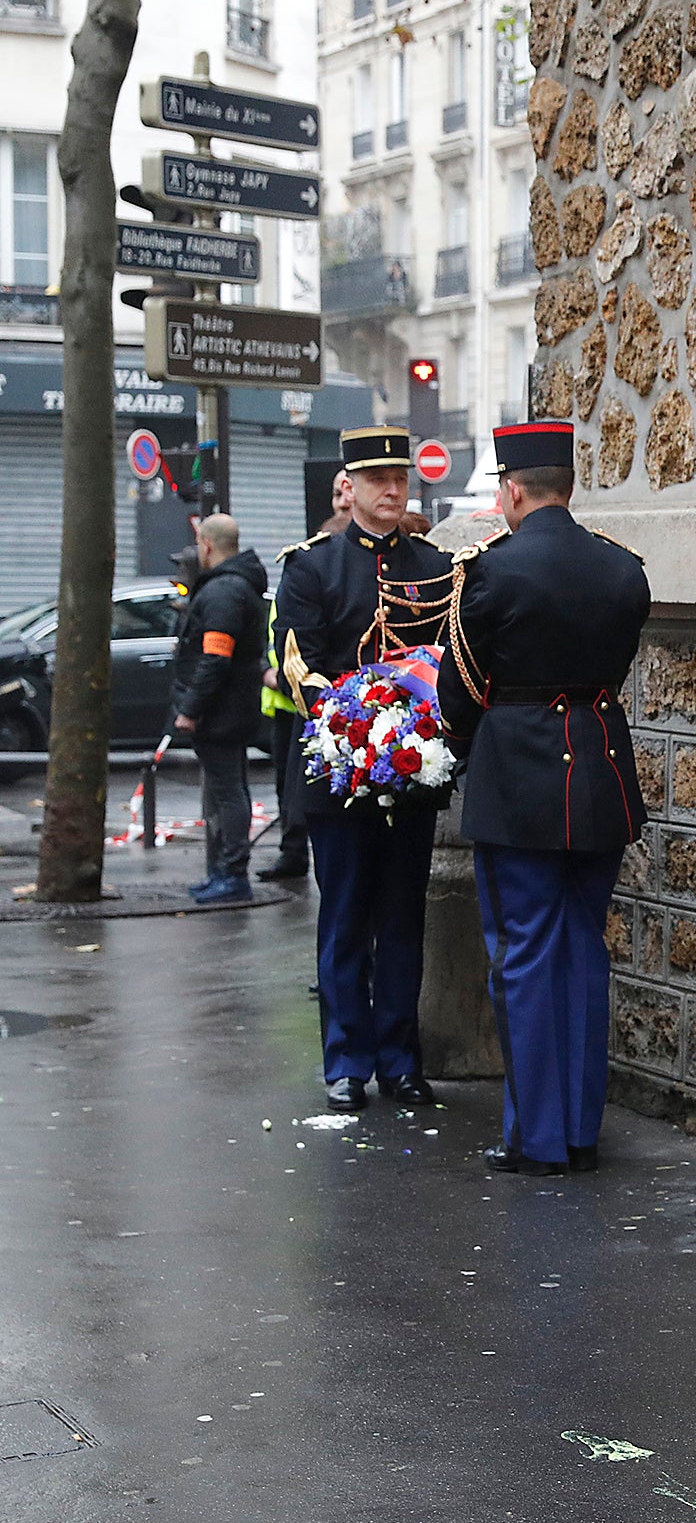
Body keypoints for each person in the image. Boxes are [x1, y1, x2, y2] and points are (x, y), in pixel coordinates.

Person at [437, 421, 651, 1176]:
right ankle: (581, 1132)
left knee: (523, 958)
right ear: (569, 486)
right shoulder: (624, 570)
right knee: (583, 954)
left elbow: (459, 697)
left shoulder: (488, 573)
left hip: (518, 783)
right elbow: (614, 672)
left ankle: (537, 1139)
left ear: (511, 491)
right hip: (599, 780)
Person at [274, 426, 453, 1112]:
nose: (392, 491)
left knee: (404, 919)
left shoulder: (433, 566)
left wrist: (412, 724)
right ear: (349, 487)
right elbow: (302, 665)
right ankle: (347, 1062)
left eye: (400, 479)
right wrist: (361, 725)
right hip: (338, 774)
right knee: (346, 918)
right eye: (378, 480)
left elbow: (444, 657)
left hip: (412, 774)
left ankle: (401, 1059)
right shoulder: (311, 567)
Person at [256, 477, 356, 882]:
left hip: (316, 706)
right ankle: (292, 849)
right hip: (292, 705)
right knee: (291, 791)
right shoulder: (302, 572)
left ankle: (294, 849)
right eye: (335, 494)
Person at [169, 514, 269, 906]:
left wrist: (191, 708)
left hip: (222, 712)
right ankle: (223, 872)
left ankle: (231, 874)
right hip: (233, 707)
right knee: (230, 789)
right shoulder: (235, 586)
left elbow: (215, 658)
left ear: (206, 544)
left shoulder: (223, 592)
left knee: (228, 792)